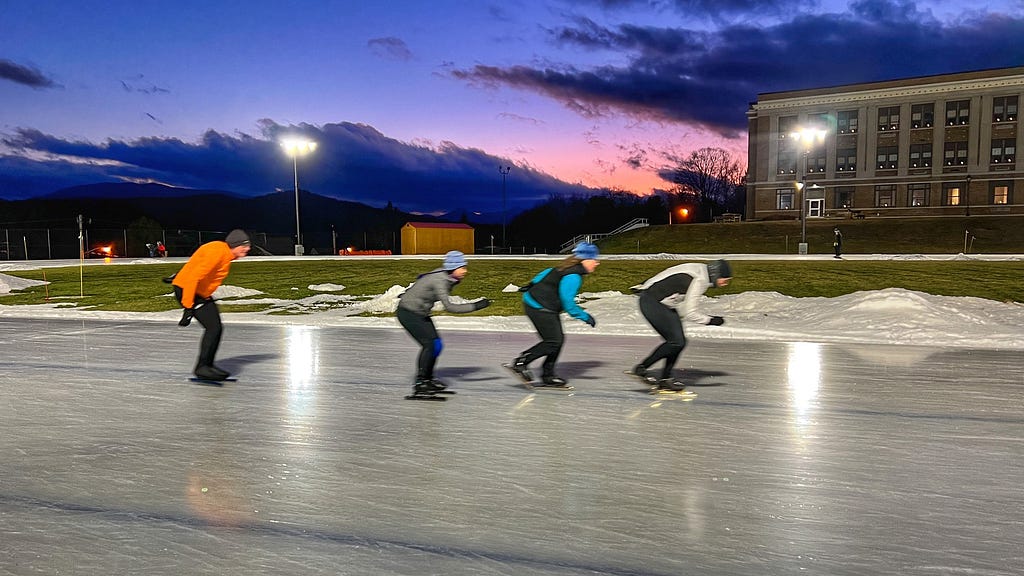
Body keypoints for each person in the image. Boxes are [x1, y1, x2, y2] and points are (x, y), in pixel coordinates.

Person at [396, 250, 491, 397]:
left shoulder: (447, 276)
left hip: (420, 312)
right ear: (453, 267)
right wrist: (477, 306)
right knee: (429, 345)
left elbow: (424, 276)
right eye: (462, 267)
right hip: (408, 313)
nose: (465, 271)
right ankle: (421, 383)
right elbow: (450, 307)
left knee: (437, 345)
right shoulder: (441, 280)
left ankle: (428, 379)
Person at [629, 259, 732, 391]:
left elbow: (672, 271)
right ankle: (642, 369)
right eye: (724, 279)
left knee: (679, 342)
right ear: (716, 273)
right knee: (677, 342)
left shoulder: (699, 269)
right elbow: (690, 313)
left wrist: (646, 284)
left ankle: (665, 379)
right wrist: (711, 320)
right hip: (652, 302)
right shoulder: (700, 280)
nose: (725, 284)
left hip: (661, 303)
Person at [508, 242, 599, 387]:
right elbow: (568, 303)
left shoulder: (564, 267)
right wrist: (585, 316)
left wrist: (531, 284)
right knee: (553, 341)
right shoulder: (573, 276)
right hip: (539, 307)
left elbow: (545, 273)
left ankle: (548, 374)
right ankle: (521, 363)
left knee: (556, 340)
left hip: (537, 303)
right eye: (595, 259)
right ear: (586, 260)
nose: (597, 263)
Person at [171, 229, 251, 381]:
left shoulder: (223, 253)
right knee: (213, 327)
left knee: (216, 327)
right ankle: (202, 367)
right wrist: (188, 307)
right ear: (234, 245)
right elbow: (194, 277)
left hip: (198, 292)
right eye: (244, 246)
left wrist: (179, 275)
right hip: (190, 292)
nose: (247, 249)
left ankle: (207, 365)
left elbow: (196, 263)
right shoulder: (218, 253)